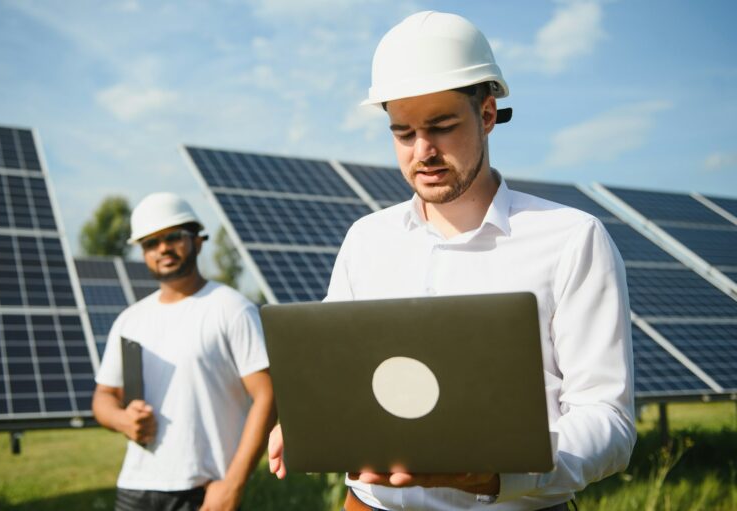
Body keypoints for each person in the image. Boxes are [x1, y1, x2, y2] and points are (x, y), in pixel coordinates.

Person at [268, 11, 635, 511]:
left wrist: (499, 472)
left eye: (442, 127)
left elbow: (607, 420)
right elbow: (340, 378)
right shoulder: (366, 240)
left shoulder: (571, 239)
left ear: (487, 115)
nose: (423, 152)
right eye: (403, 133)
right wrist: (307, 418)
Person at [93, 192, 276, 511]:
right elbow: (104, 396)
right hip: (134, 488)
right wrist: (122, 420)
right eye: (151, 243)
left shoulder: (232, 309)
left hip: (203, 491)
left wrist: (232, 486)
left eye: (173, 237)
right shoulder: (130, 320)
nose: (162, 248)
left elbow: (267, 396)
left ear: (197, 240)